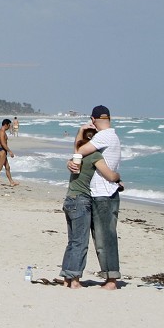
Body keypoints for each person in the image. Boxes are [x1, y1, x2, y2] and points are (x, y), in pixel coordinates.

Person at [60, 122, 121, 288]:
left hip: (69, 199)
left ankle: (67, 277)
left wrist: (80, 131)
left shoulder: (76, 157)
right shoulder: (94, 156)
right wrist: (118, 176)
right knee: (81, 242)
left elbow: (77, 148)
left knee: (73, 241)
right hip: (82, 200)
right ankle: (74, 280)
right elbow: (109, 175)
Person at [0, 118, 17, 186]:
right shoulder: (1, 132)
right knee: (0, 167)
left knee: (7, 167)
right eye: (9, 125)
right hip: (2, 151)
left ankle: (11, 182)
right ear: (6, 124)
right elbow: (3, 143)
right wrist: (10, 151)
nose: (9, 127)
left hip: (0, 151)